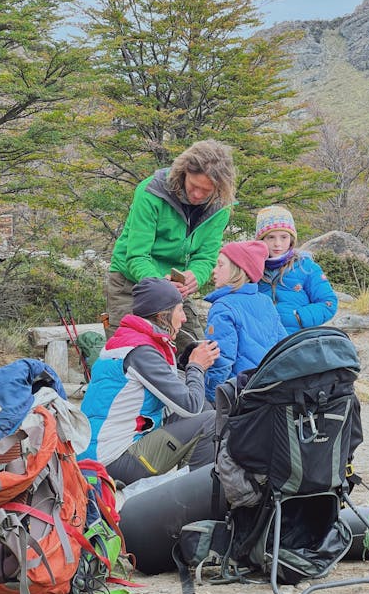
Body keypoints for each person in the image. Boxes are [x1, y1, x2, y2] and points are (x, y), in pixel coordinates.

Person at [78, 277, 220, 486]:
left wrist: (185, 363)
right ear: (163, 316)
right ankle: (194, 494)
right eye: (180, 311)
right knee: (211, 421)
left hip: (100, 450)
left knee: (204, 409)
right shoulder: (142, 352)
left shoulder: (132, 340)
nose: (184, 319)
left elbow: (168, 396)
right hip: (110, 460)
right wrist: (196, 367)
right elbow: (190, 406)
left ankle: (186, 486)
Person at [106, 139, 236, 349]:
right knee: (128, 352)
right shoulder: (151, 192)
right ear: (183, 172)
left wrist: (196, 276)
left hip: (176, 289)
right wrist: (161, 285)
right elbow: (137, 256)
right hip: (131, 284)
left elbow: (205, 256)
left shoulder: (221, 207)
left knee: (194, 349)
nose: (197, 195)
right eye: (194, 186)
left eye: (207, 190)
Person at [203, 240, 287, 404]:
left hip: (236, 393)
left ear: (238, 270)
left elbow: (220, 360)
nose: (214, 271)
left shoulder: (223, 307)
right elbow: (282, 344)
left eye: (220, 265)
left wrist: (212, 398)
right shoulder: (265, 301)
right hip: (265, 390)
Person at [255, 205, 338, 333]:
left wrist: (299, 318)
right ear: (261, 240)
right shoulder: (252, 269)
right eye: (271, 237)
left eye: (284, 237)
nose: (278, 243)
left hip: (296, 342)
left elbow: (328, 303)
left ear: (291, 239)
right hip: (262, 343)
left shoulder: (307, 267)